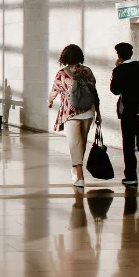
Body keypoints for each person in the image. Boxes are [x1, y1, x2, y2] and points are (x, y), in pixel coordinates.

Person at [47, 45, 97, 188]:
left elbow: (54, 92)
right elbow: (94, 92)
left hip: (70, 112)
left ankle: (79, 175)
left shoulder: (61, 74)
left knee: (75, 144)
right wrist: (98, 112)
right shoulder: (87, 71)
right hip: (88, 112)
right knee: (82, 143)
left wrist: (49, 101)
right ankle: (76, 169)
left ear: (64, 57)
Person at [110, 42, 139, 186]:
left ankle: (131, 176)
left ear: (119, 55)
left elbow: (115, 90)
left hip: (128, 112)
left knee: (128, 144)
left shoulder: (119, 70)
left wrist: (116, 69)